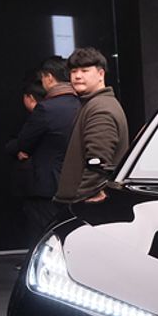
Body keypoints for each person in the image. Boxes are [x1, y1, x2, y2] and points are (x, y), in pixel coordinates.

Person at [15, 55, 80, 237]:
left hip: (47, 185)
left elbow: (24, 142)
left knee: (44, 235)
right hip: (76, 183)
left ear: (49, 77)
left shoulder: (46, 109)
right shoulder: (82, 104)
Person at [56, 47, 129, 205]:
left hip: (86, 205)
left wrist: (81, 202)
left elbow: (98, 165)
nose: (77, 76)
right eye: (73, 71)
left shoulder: (100, 108)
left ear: (101, 74)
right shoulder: (95, 104)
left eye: (85, 70)